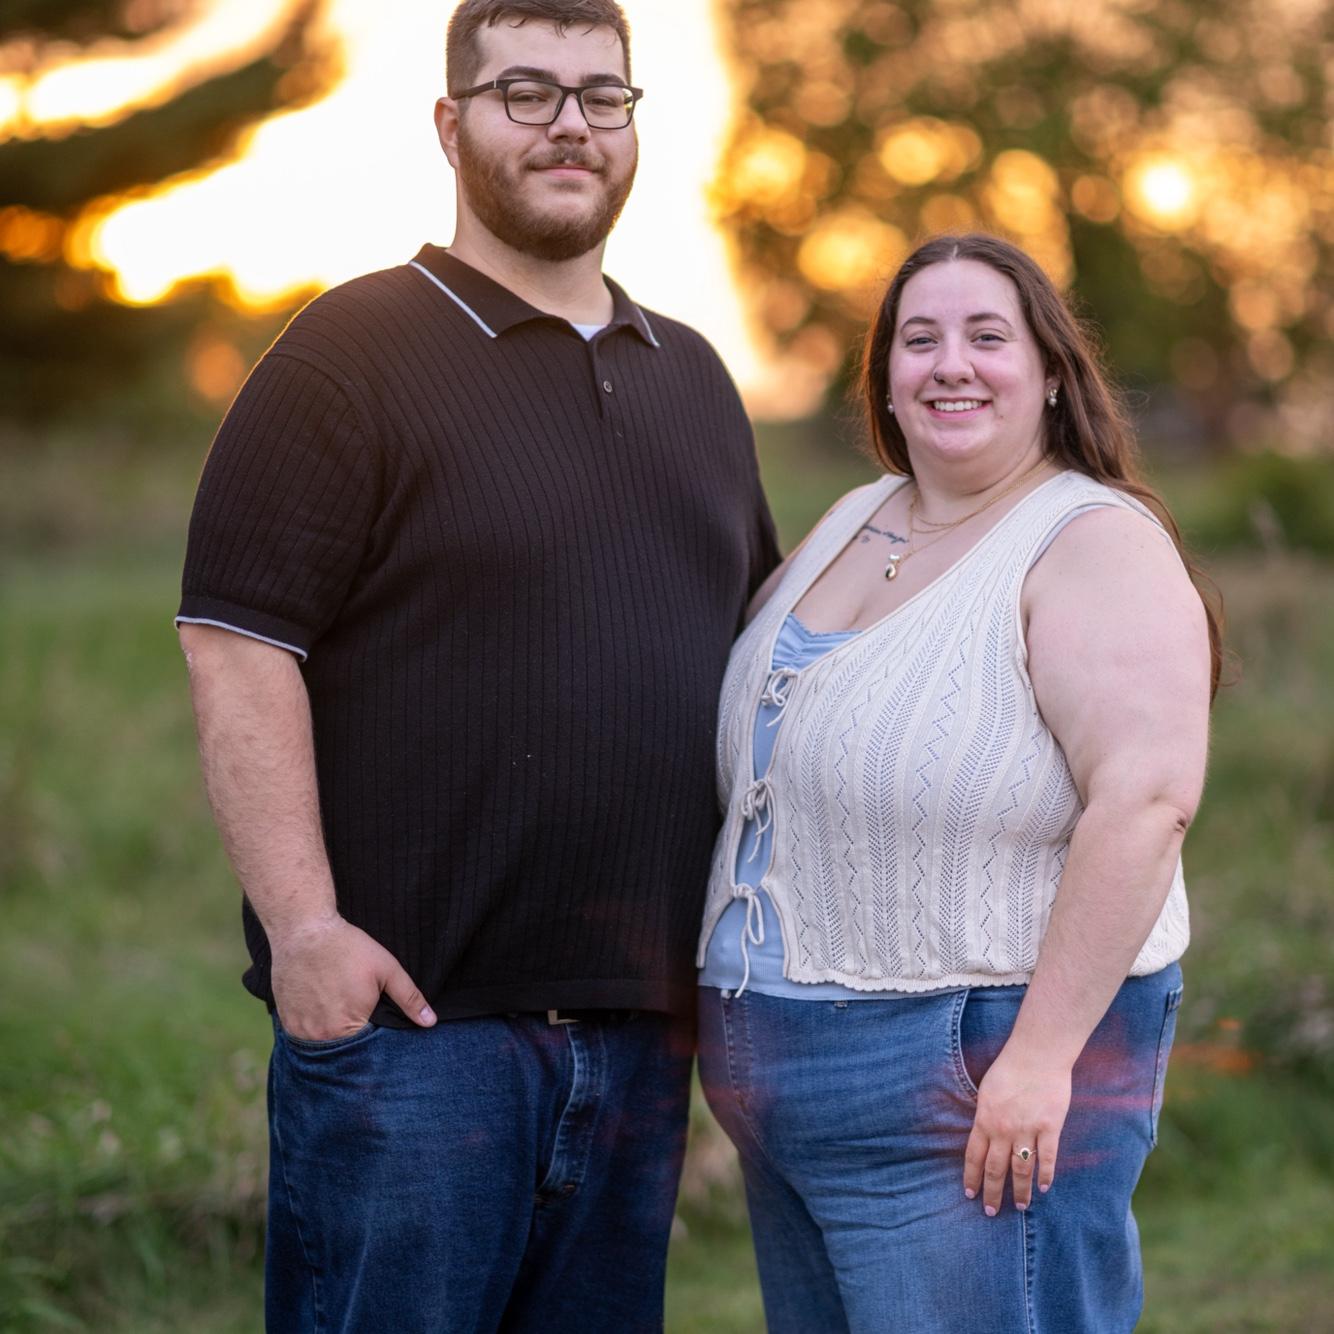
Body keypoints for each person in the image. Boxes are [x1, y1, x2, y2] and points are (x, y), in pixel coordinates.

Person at [176, 1, 779, 1329]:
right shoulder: (346, 355)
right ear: (451, 126)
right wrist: (306, 933)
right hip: (413, 1035)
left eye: (601, 96)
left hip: (640, 1036)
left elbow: (759, 657)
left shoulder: (693, 377)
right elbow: (236, 645)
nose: (570, 124)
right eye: (526, 91)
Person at [696, 233, 1218, 1333]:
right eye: (918, 339)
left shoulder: (1089, 541)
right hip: (789, 1089)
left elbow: (1146, 801)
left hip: (969, 1076)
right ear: (884, 374)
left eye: (987, 337)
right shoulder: (855, 517)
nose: (950, 365)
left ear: (1051, 372)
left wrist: (1038, 1060)